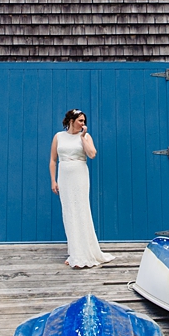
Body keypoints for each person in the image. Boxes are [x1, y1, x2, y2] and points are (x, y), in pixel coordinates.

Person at [49, 108, 114, 268]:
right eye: (80, 121)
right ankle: (75, 252)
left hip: (79, 175)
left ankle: (83, 253)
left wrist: (84, 137)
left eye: (84, 121)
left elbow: (92, 154)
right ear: (71, 121)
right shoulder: (58, 137)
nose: (83, 124)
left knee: (81, 210)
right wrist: (53, 180)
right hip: (64, 176)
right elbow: (53, 160)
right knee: (69, 212)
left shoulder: (85, 136)